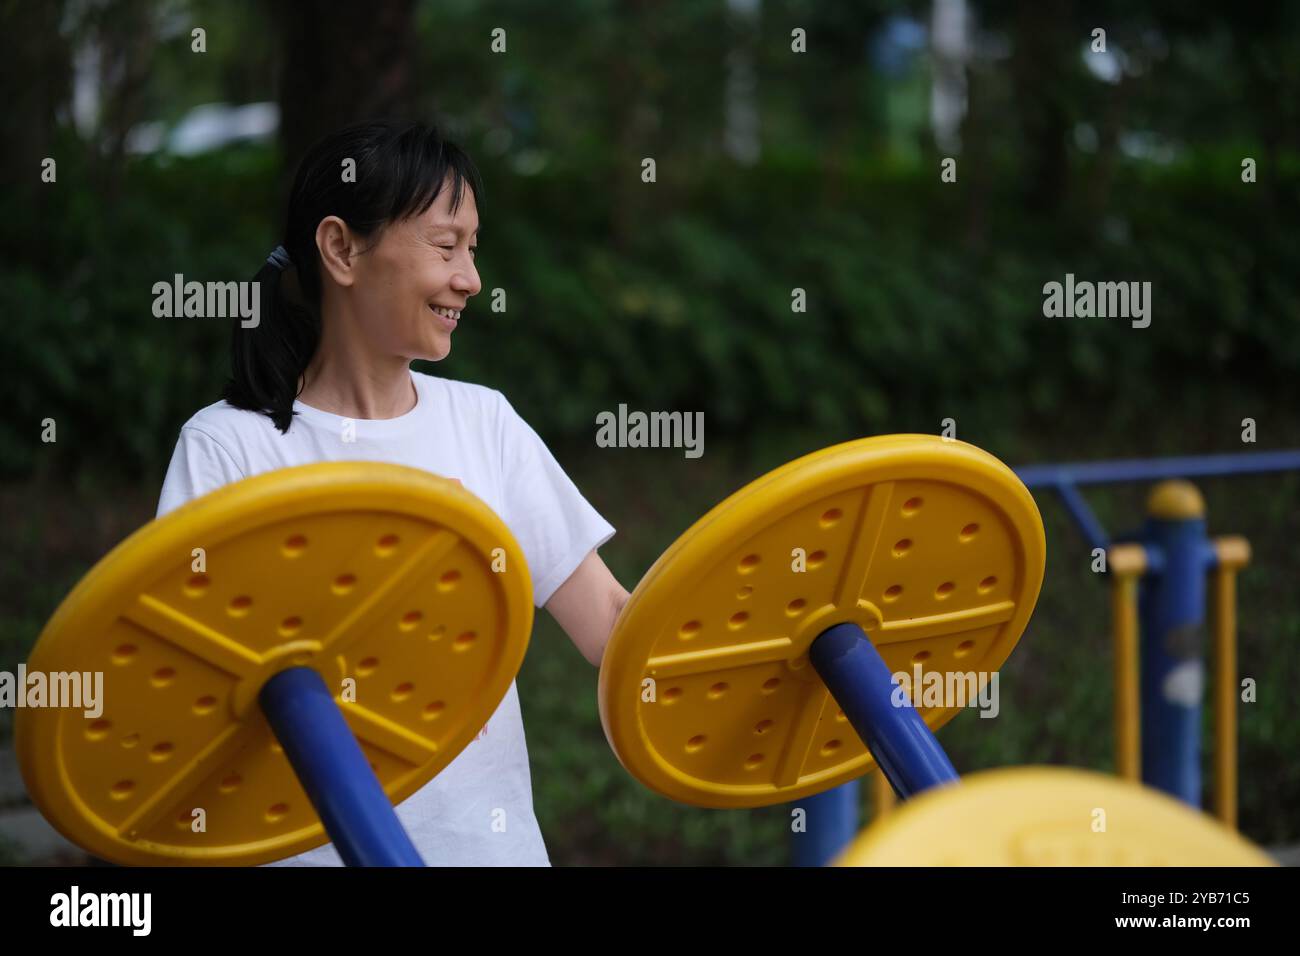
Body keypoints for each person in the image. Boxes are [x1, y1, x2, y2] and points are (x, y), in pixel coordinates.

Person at [156, 119, 630, 866]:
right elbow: (181, 685)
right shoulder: (227, 447)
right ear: (342, 248)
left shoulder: (486, 424)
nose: (470, 278)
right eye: (446, 246)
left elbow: (610, 621)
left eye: (473, 249)